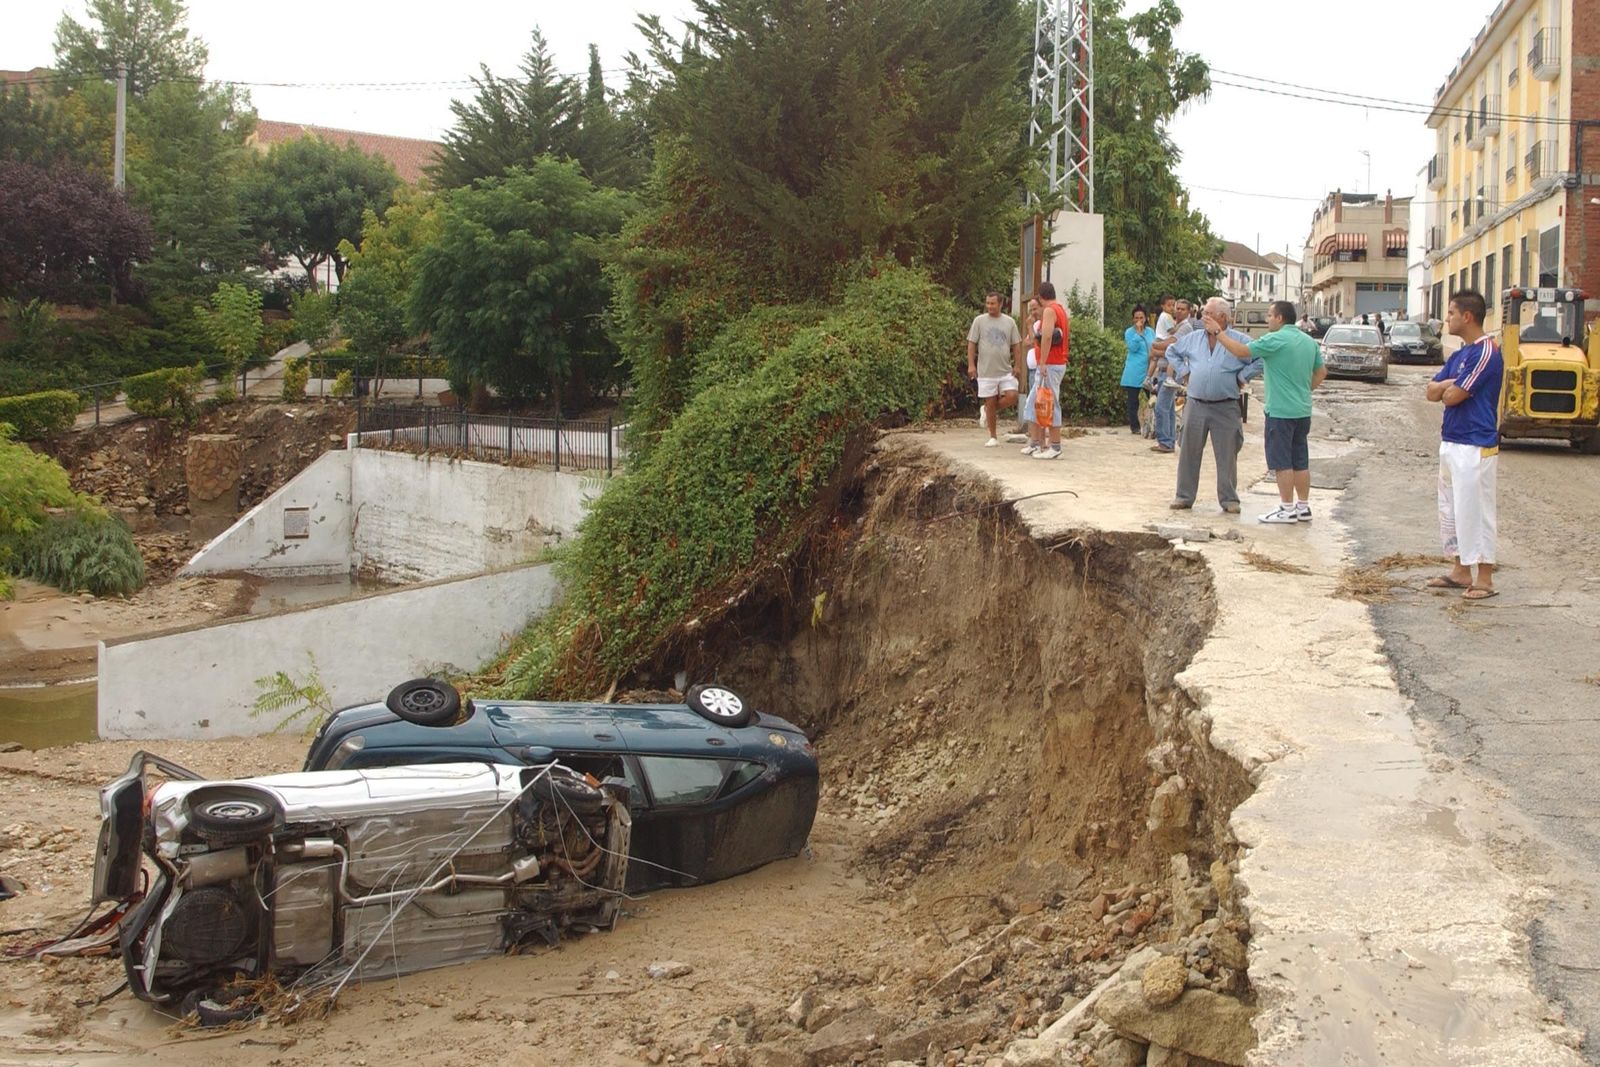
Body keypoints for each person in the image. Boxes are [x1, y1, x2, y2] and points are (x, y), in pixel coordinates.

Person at [1211, 299, 1325, 523]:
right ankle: (1303, 506)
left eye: (1270, 316)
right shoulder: (1308, 342)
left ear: (1280, 318)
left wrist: (1218, 332)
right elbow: (1321, 372)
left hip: (1281, 412)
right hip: (1302, 410)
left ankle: (1286, 508)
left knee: (1282, 462)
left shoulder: (1275, 340)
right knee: (1300, 460)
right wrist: (1303, 390)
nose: (1267, 320)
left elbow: (1241, 350)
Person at [1425, 289, 1502, 601]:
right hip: (1452, 440)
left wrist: (1447, 389)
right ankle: (1460, 569)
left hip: (1475, 443)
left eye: (1452, 314)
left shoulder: (1486, 352)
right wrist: (1447, 386)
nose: (1448, 319)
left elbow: (1455, 396)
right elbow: (1433, 392)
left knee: (1478, 509)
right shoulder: (1458, 355)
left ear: (1467, 316)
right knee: (1453, 509)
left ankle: (1484, 578)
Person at [1167, 298, 1261, 513]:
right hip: (1196, 404)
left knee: (1227, 453)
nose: (1203, 317)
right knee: (1189, 452)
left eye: (1208, 313)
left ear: (1223, 317)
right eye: (1203, 313)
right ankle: (1184, 496)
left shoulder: (1239, 340)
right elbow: (1172, 352)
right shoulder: (1193, 339)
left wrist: (1242, 377)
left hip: (1226, 406)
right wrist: (1185, 373)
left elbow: (1261, 359)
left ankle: (1229, 499)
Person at [967, 291, 1023, 447]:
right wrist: (971, 364)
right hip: (986, 370)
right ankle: (993, 436)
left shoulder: (1009, 322)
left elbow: (1016, 345)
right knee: (990, 399)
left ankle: (987, 409)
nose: (989, 306)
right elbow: (971, 343)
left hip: (1005, 369)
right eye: (987, 303)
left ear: (1000, 304)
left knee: (1012, 395)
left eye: (992, 303)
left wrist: (1018, 365)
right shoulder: (979, 321)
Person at [1022, 282, 1069, 459]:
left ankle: (1055, 446)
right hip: (1054, 362)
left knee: (1050, 402)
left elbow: (1048, 336)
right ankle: (1035, 443)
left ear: (1041, 297)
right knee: (1035, 400)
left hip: (1051, 363)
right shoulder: (1060, 310)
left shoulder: (1050, 310)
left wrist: (1042, 362)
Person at [1148, 299, 1194, 453]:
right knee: (1168, 407)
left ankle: (1165, 442)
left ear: (1188, 311)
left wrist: (1155, 346)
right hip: (1163, 370)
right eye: (1177, 308)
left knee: (1161, 407)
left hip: (1172, 373)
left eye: (1182, 309)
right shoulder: (1175, 326)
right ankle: (1169, 440)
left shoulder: (1185, 328)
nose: (1179, 311)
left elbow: (1172, 345)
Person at [1120, 305, 1156, 434]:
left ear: (1145, 318)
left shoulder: (1151, 331)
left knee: (1153, 398)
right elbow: (1132, 348)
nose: (1139, 320)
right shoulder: (1129, 332)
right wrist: (1138, 333)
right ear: (1133, 319)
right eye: (1136, 318)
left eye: (1141, 317)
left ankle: (1154, 424)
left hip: (1149, 370)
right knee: (1133, 401)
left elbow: (1154, 345)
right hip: (1134, 370)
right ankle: (1134, 427)